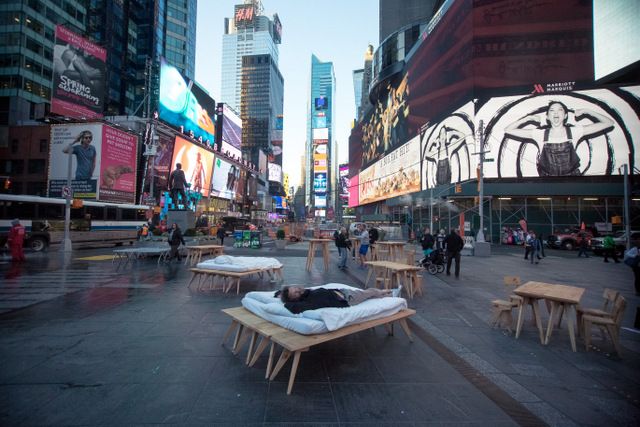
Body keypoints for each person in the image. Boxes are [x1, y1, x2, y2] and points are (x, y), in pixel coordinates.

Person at [504, 101, 614, 176]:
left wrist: (588, 111)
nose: (556, 112)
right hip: (548, 184)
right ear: (547, 116)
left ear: (565, 115)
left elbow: (609, 123)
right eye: (552, 110)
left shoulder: (575, 131)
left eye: (560, 110)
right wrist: (527, 118)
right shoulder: (539, 134)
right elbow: (508, 130)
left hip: (573, 182)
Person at [277, 285, 402, 314]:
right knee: (370, 292)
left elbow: (281, 292)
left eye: (296, 288)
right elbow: (292, 307)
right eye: (295, 293)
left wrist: (279, 293)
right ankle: (391, 293)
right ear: (295, 299)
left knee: (369, 294)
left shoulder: (307, 292)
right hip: (347, 299)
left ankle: (389, 294)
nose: (298, 290)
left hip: (342, 292)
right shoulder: (305, 303)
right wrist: (287, 301)